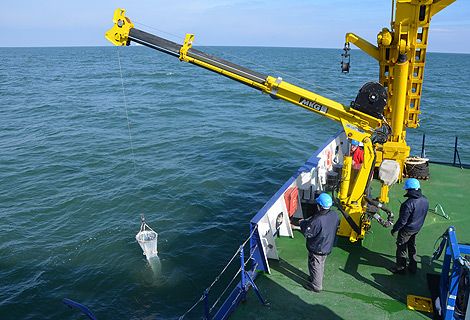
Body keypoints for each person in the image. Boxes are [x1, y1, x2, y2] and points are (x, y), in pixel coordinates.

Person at [300, 193, 340, 292]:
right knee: (320, 263)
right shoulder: (334, 214)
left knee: (315, 265)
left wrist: (302, 223)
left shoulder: (318, 220)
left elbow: (308, 233)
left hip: (318, 248)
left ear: (320, 206)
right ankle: (315, 278)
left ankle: (316, 286)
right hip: (327, 245)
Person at [389, 178, 429, 274]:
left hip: (407, 230)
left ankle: (401, 268)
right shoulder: (425, 199)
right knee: (411, 246)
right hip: (417, 228)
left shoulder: (408, 204)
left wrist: (394, 229)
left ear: (409, 190)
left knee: (402, 247)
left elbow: (402, 221)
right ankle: (413, 267)